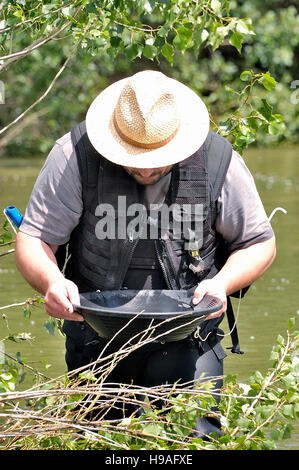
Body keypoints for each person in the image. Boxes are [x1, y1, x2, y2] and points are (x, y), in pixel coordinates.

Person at [15, 70, 276, 436]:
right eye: (134, 156)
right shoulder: (73, 155)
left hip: (190, 337)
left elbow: (259, 242)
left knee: (195, 441)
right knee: (101, 444)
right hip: (97, 339)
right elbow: (34, 239)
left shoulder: (218, 160)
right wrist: (51, 281)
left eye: (158, 157)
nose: (147, 167)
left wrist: (223, 283)